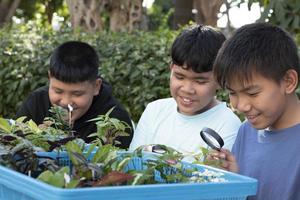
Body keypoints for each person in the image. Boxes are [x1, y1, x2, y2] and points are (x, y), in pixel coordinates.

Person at [212, 23, 300, 200]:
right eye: (232, 93)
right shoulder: (247, 130)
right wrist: (234, 180)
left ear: (289, 82)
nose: (241, 105)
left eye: (252, 93)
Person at [129, 24, 241, 154]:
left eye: (200, 81)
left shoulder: (228, 124)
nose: (187, 89)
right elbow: (132, 161)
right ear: (171, 69)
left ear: (220, 80)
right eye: (179, 76)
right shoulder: (154, 111)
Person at [16, 41, 133, 149]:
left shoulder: (115, 121)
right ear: (50, 78)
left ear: (96, 86)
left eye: (77, 93)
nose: (66, 102)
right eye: (58, 91)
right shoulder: (36, 103)